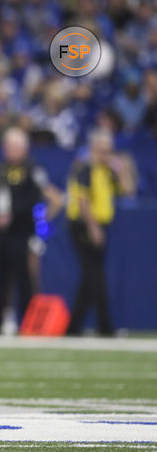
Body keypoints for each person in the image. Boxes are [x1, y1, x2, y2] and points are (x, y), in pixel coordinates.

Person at [0, 128, 51, 335]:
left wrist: (13, 214)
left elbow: (36, 199)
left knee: (24, 280)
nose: (10, 150)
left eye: (14, 146)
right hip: (0, 234)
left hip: (21, 232)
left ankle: (28, 324)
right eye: (8, 146)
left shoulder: (32, 169)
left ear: (24, 148)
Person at [66, 129, 135, 336]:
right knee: (96, 276)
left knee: (91, 278)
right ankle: (104, 327)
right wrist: (93, 228)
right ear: (93, 149)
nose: (106, 155)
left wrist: (124, 168)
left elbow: (128, 190)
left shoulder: (106, 171)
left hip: (99, 225)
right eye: (103, 151)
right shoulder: (85, 168)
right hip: (84, 225)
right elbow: (83, 201)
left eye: (109, 151)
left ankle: (73, 327)